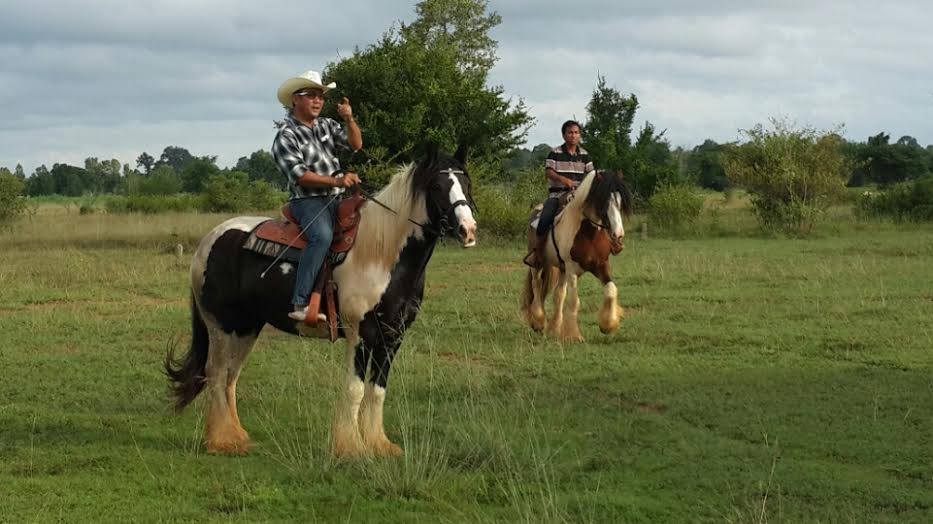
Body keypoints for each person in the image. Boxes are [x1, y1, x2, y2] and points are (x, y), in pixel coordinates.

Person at [272, 70, 363, 323]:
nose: (317, 101)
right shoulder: (286, 136)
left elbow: (355, 145)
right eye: (310, 95)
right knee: (321, 236)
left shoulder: (327, 125)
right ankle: (300, 302)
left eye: (320, 96)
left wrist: (349, 119)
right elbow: (299, 175)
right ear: (294, 100)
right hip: (307, 201)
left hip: (336, 198)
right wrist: (337, 180)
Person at [524, 120, 594, 267]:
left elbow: (590, 175)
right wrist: (564, 180)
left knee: (598, 214)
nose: (573, 136)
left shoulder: (585, 155)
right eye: (570, 132)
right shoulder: (555, 153)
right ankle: (538, 253)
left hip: (579, 196)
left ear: (579, 135)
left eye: (576, 133)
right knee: (545, 218)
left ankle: (606, 246)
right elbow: (549, 172)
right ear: (564, 135)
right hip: (557, 195)